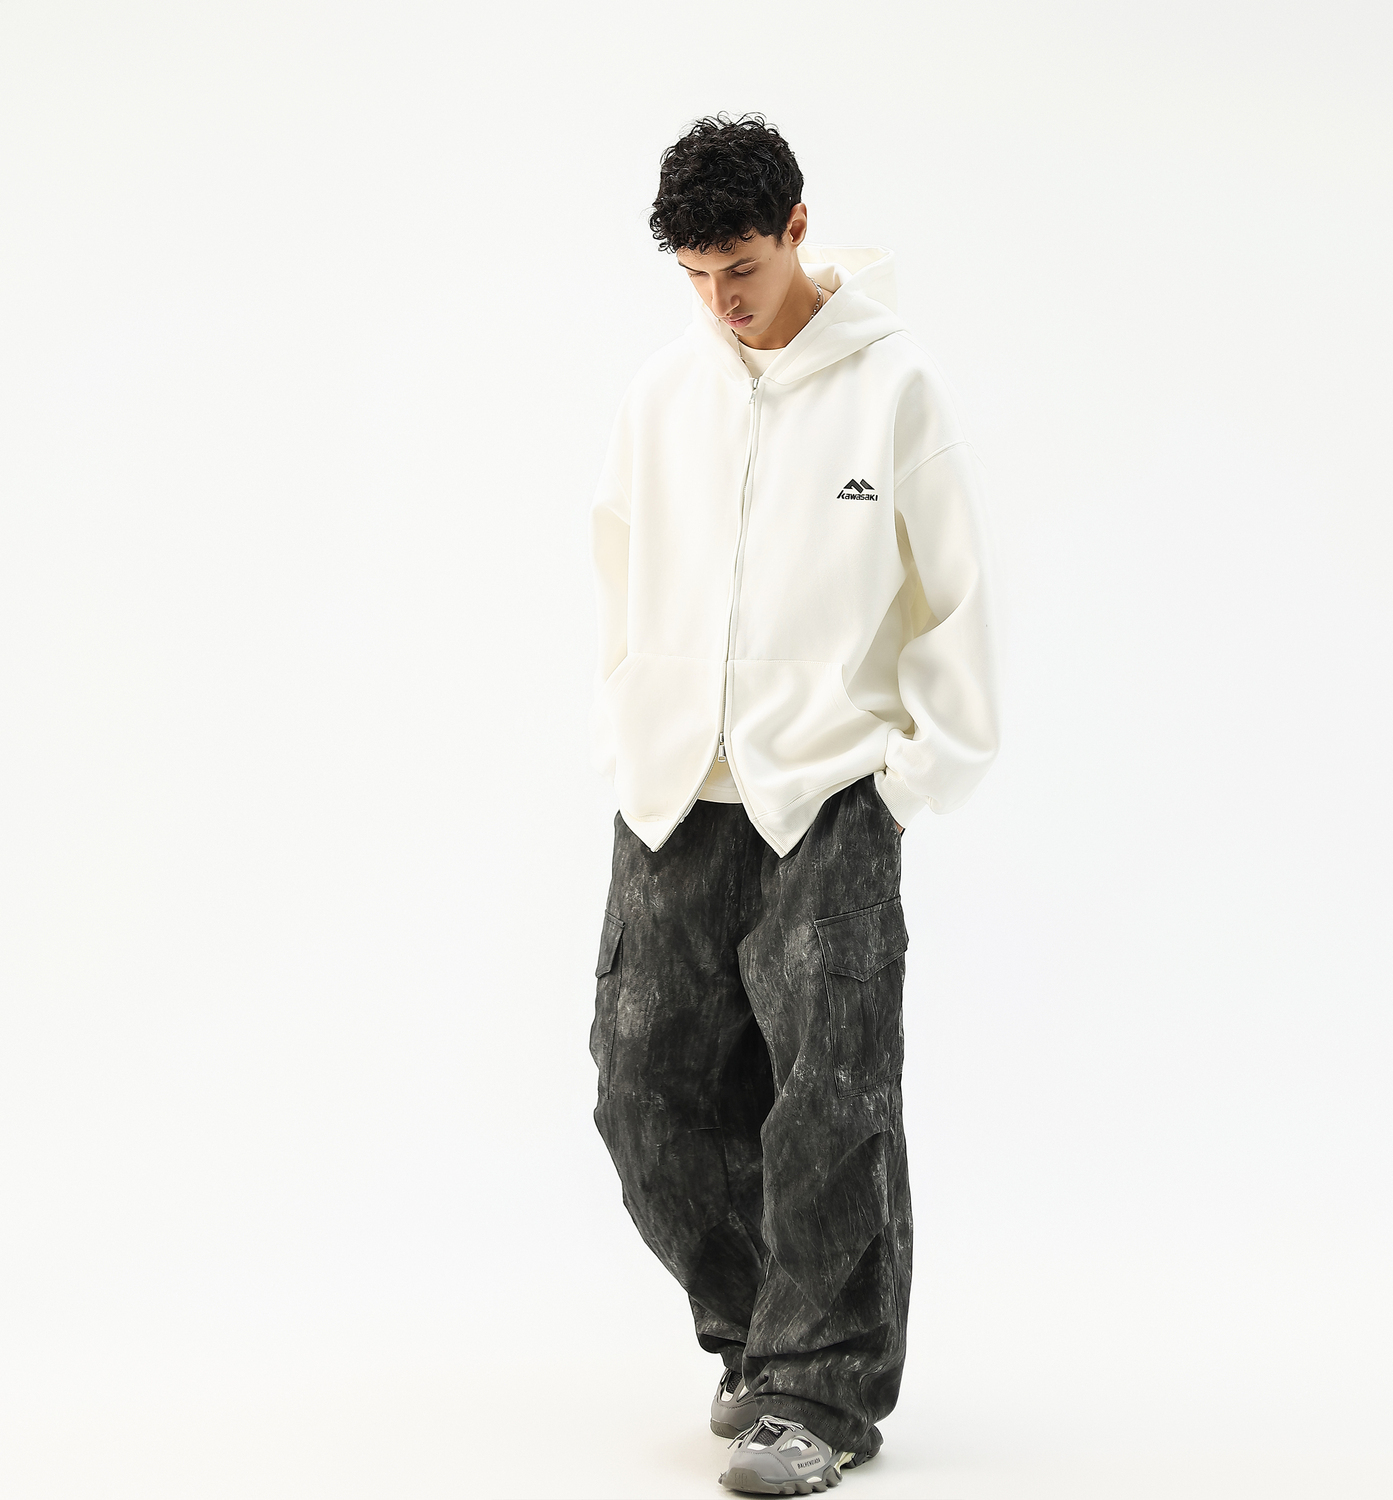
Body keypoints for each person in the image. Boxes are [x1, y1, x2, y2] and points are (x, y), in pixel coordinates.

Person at [586, 112, 999, 1495]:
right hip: (674, 792)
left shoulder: (893, 387)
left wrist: (909, 777)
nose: (724, 302)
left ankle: (818, 1392)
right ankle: (761, 1342)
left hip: (828, 788)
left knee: (832, 1098)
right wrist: (631, 719)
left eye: (744, 269)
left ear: (799, 229)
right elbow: (616, 564)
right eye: (698, 276)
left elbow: (955, 592)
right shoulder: (665, 393)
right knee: (643, 1092)